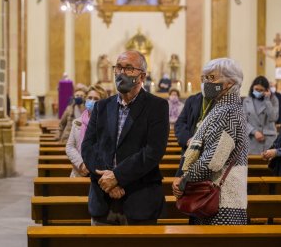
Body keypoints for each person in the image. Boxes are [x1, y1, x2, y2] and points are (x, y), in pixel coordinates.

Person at [81, 50, 169, 225]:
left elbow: (153, 151)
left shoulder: (157, 106)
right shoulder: (101, 106)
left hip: (140, 200)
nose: (122, 73)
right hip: (103, 199)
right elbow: (88, 146)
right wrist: (107, 179)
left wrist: (118, 177)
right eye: (118, 67)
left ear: (142, 76)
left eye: (129, 68)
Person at [172, 58, 248, 225]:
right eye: (204, 78)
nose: (206, 82)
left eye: (212, 78)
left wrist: (184, 180)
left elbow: (213, 160)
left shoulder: (228, 111)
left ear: (229, 82)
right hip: (213, 197)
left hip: (223, 202)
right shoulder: (221, 108)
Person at [66, 84, 108, 177]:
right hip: (78, 171)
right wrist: (81, 164)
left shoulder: (107, 123)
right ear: (85, 99)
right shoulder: (77, 122)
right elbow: (70, 147)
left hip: (98, 174)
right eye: (89, 97)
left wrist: (91, 166)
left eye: (96, 99)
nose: (92, 101)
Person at [243, 76, 279, 154]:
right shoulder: (247, 101)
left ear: (266, 90)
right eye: (256, 89)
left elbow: (273, 117)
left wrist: (267, 100)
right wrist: (254, 132)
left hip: (268, 139)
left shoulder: (273, 100)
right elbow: (243, 121)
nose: (258, 92)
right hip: (252, 138)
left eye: (261, 90)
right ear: (252, 88)